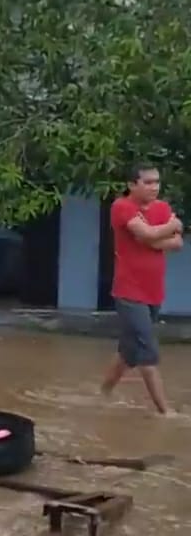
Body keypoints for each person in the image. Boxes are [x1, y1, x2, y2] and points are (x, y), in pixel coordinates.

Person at [101, 163, 183, 415]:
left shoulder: (162, 208)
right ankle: (165, 412)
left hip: (153, 291)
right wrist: (167, 228)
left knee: (129, 351)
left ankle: (102, 393)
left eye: (156, 182)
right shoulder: (122, 206)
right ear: (132, 185)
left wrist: (155, 238)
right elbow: (147, 232)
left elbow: (178, 242)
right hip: (129, 291)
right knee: (148, 350)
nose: (154, 187)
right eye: (147, 182)